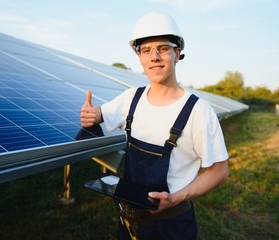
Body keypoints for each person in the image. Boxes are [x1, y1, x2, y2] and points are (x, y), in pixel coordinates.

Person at [80, 11, 229, 240]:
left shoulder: (198, 111)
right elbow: (100, 114)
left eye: (163, 48)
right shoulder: (131, 99)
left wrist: (176, 197)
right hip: (130, 222)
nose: (154, 57)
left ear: (177, 54)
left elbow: (220, 170)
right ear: (139, 56)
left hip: (172, 226)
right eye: (146, 50)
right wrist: (91, 114)